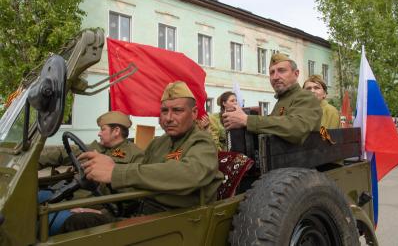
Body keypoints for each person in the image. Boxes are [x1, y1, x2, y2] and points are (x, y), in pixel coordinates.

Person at [61, 81, 223, 232]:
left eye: (177, 110)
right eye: (164, 111)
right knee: (78, 221)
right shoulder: (158, 143)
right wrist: (101, 207)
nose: (168, 118)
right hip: (142, 212)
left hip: (175, 222)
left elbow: (189, 174)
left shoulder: (202, 142)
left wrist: (116, 172)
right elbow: (139, 181)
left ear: (194, 113)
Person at [38, 111, 144, 235]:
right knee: (32, 198)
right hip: (68, 195)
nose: (99, 133)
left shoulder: (135, 155)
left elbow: (133, 197)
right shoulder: (94, 147)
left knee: (46, 224)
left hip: (91, 206)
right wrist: (35, 160)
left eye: (102, 129)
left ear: (116, 131)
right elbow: (63, 153)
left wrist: (104, 213)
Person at [222, 53, 322, 145]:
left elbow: (297, 128)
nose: (275, 77)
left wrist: (247, 120)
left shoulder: (306, 97)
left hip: (299, 163)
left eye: (281, 71)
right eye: (271, 72)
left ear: (296, 74)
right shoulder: (283, 100)